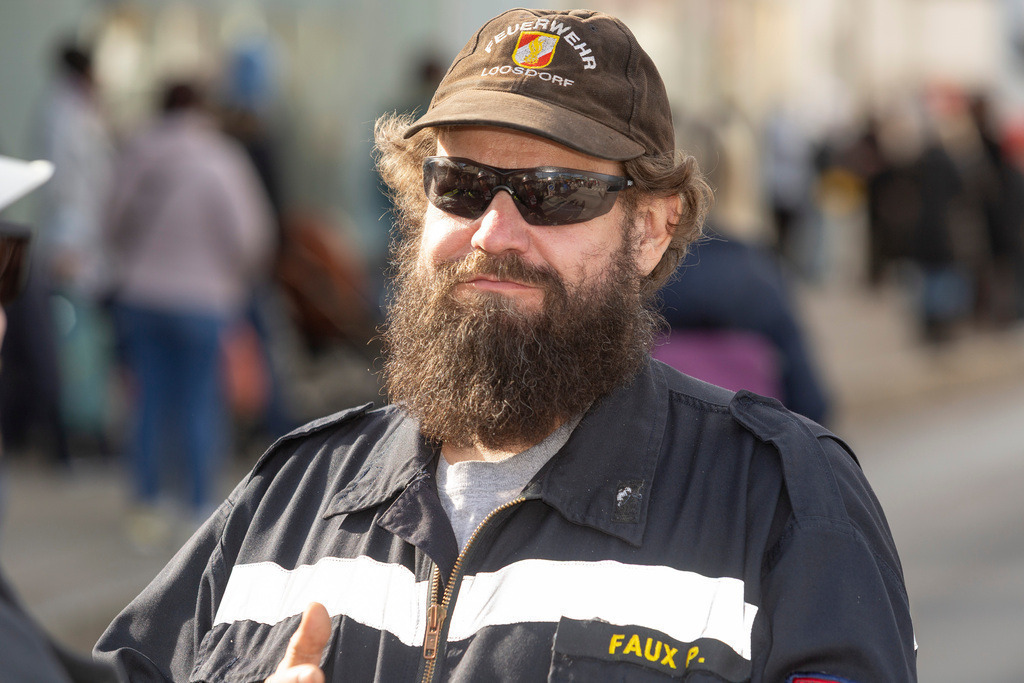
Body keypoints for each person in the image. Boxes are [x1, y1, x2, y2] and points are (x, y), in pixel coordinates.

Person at [96, 9, 916, 682]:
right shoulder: (290, 499)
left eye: (554, 193)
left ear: (652, 230)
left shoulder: (780, 502)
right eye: (459, 186)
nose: (494, 230)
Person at [104, 80, 273, 540]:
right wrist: (228, 275)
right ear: (203, 107)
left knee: (148, 400)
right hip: (204, 299)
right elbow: (251, 235)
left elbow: (112, 221)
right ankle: (198, 505)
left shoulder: (137, 152)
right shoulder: (221, 157)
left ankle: (147, 505)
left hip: (140, 295)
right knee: (201, 401)